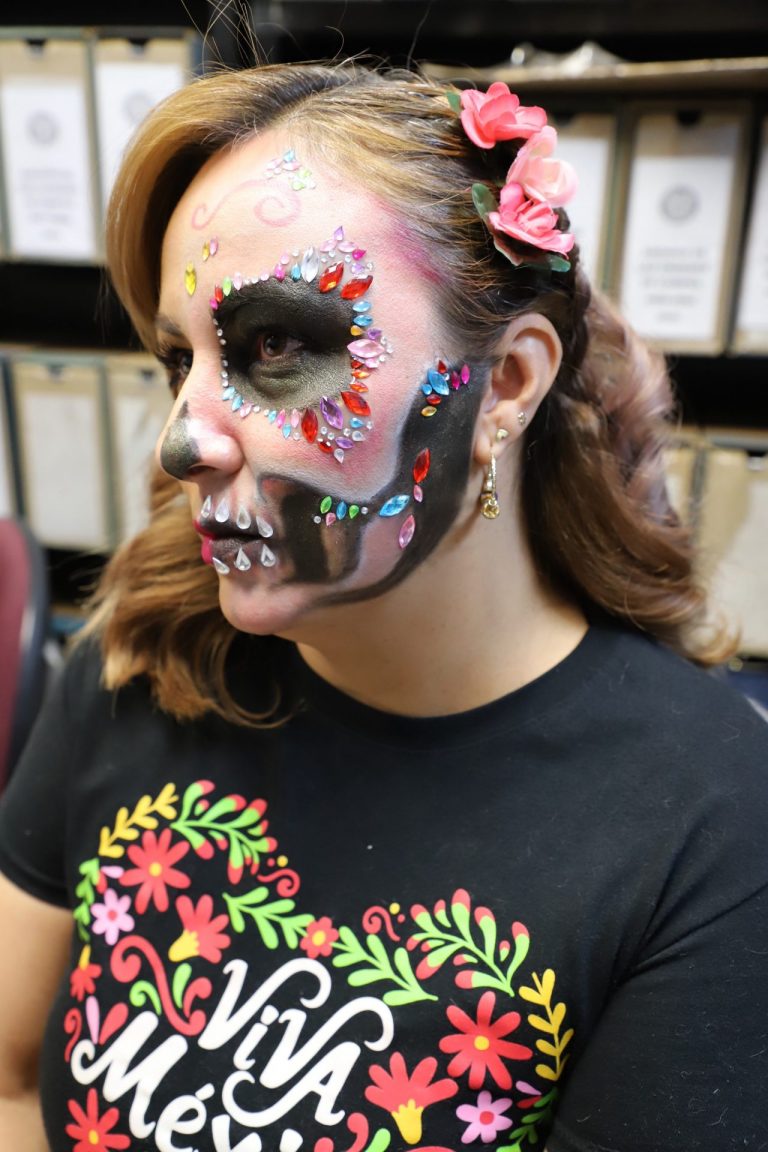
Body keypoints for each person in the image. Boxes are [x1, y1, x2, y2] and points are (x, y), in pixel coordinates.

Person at [0, 62, 766, 1152]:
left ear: (507, 384)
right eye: (180, 359)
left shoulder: (716, 828)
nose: (180, 439)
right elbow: (9, 1078)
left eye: (274, 347)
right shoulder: (140, 656)